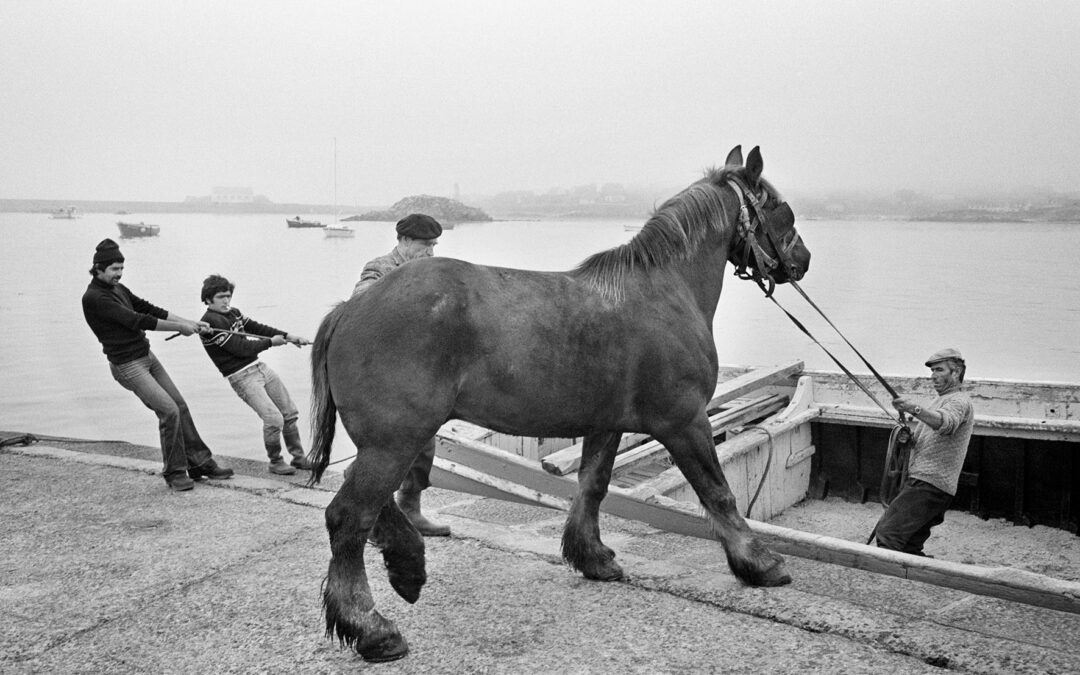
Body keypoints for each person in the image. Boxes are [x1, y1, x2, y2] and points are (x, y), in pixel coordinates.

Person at [81, 238, 234, 492]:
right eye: (114, 269)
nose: (119, 274)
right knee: (168, 411)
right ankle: (174, 472)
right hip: (127, 366)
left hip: (147, 357)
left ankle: (199, 463)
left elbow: (149, 308)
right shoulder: (95, 298)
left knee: (180, 406)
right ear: (98, 269)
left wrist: (190, 322)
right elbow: (136, 319)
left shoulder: (118, 289)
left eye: (121, 268)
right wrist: (180, 327)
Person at [350, 213, 450, 537]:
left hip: (418, 376)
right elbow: (361, 305)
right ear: (405, 242)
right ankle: (370, 510)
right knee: (384, 450)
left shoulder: (429, 273)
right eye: (425, 245)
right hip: (383, 377)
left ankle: (411, 509)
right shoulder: (379, 269)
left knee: (425, 446)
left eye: (434, 245)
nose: (431, 252)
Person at [198, 274, 313, 476]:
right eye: (220, 297)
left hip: (259, 367)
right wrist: (271, 343)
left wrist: (289, 336)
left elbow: (258, 328)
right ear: (208, 300)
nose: (226, 301)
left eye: (228, 296)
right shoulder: (209, 323)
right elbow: (240, 348)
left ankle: (298, 458)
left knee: (289, 412)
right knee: (273, 418)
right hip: (241, 376)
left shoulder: (234, 313)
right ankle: (276, 461)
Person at [875, 348, 975, 555]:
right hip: (933, 485)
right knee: (910, 544)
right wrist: (908, 438)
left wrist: (914, 408)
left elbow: (946, 423)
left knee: (888, 534)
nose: (933, 376)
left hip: (929, 484)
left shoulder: (958, 400)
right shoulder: (942, 400)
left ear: (955, 373)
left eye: (939, 370)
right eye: (932, 371)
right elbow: (934, 432)